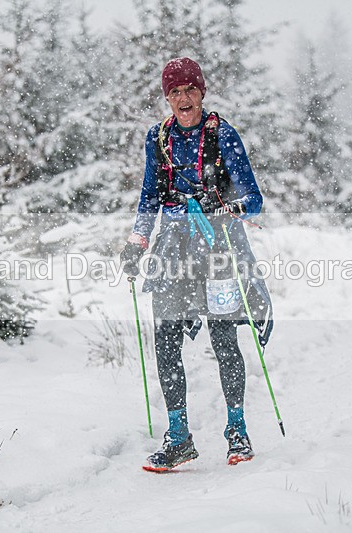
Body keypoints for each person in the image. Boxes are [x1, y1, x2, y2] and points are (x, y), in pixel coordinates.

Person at [121, 57, 272, 472]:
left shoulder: (222, 134)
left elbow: (253, 199)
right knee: (166, 342)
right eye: (174, 92)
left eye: (189, 90)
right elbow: (150, 197)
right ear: (166, 98)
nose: (182, 98)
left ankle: (237, 430)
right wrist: (137, 242)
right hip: (171, 250)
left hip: (218, 247)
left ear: (202, 92)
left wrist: (223, 204)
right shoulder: (158, 138)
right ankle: (178, 437)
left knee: (223, 339)